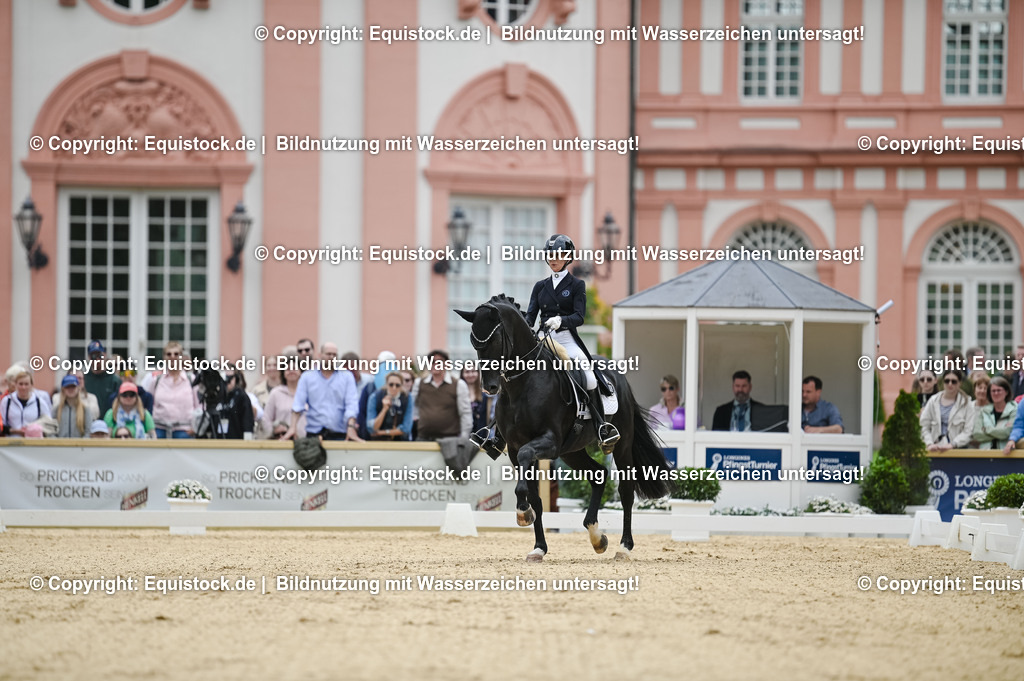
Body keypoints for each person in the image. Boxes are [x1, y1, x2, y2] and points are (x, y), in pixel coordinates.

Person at [480, 233, 618, 453]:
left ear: (567, 257)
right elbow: (529, 318)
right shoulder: (540, 286)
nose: (553, 258)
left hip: (567, 339)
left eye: (559, 254)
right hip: (543, 340)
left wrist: (561, 320)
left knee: (589, 377)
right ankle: (495, 433)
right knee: (512, 375)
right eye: (550, 254)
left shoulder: (576, 285)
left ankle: (602, 426)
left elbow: (579, 317)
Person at [284, 342, 360, 440]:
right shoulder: (307, 377)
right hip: (314, 434)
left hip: (339, 434)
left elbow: (352, 404)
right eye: (328, 354)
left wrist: (351, 427)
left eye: (334, 355)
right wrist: (293, 427)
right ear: (320, 355)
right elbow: (298, 405)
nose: (331, 357)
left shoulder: (347, 377)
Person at [412, 349, 472, 441]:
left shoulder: (458, 384)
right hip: (423, 437)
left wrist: (464, 437)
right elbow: (413, 406)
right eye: (432, 362)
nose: (435, 364)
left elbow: (465, 412)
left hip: (450, 439)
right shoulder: (419, 383)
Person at [143, 341, 198, 439]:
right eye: (169, 354)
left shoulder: (191, 380)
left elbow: (199, 406)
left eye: (176, 354)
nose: (172, 357)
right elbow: (148, 405)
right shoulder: (156, 380)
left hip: (184, 431)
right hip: (159, 430)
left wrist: (195, 427)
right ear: (164, 357)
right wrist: (149, 427)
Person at [920, 370, 973, 451]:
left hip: (958, 451)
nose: (950, 384)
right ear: (943, 382)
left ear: (960, 383)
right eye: (947, 381)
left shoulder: (967, 403)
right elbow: (924, 426)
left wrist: (953, 444)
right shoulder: (933, 401)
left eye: (954, 381)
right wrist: (929, 443)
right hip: (934, 450)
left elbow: (968, 431)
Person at [262, 351, 305, 439]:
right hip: (282, 443)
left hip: (305, 443)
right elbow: (266, 419)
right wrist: (274, 434)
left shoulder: (308, 394)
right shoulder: (276, 393)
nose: (291, 371)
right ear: (283, 373)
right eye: (288, 369)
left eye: (294, 368)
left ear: (301, 371)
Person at [1, 370, 52, 436]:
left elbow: (48, 423)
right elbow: (1, 424)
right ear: (16, 384)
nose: (23, 387)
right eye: (21, 384)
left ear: (31, 385)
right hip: (11, 443)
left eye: (26, 384)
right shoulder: (7, 401)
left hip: (33, 443)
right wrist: (15, 431)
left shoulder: (39, 402)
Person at [367, 372, 414, 440]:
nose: (394, 388)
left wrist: (382, 432)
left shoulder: (407, 398)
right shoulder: (375, 397)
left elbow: (406, 428)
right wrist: (384, 409)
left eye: (397, 385)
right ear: (386, 384)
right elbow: (372, 428)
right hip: (379, 442)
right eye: (391, 384)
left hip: (400, 441)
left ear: (401, 386)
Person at [975, 376, 1015, 451]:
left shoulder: (1014, 409)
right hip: (985, 453)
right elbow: (977, 434)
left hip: (1006, 453)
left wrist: (986, 430)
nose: (996, 393)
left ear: (1006, 392)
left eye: (999, 390)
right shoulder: (984, 411)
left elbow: (1007, 432)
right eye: (993, 391)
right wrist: (999, 433)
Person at [82, 340, 122, 415]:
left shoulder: (115, 380)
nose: (97, 360)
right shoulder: (84, 379)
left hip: (109, 422)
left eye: (100, 356)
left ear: (105, 355)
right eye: (93, 357)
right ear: (89, 358)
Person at [219, 370, 255, 439]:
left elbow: (248, 422)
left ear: (236, 379)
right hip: (218, 442)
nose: (227, 381)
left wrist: (247, 443)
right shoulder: (218, 396)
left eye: (230, 378)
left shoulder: (241, 397)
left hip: (236, 441)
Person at [460, 366, 492, 436]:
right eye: (467, 372)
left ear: (478, 373)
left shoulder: (486, 395)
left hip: (481, 435)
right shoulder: (457, 393)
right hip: (461, 434)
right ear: (462, 374)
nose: (471, 374)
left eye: (473, 371)